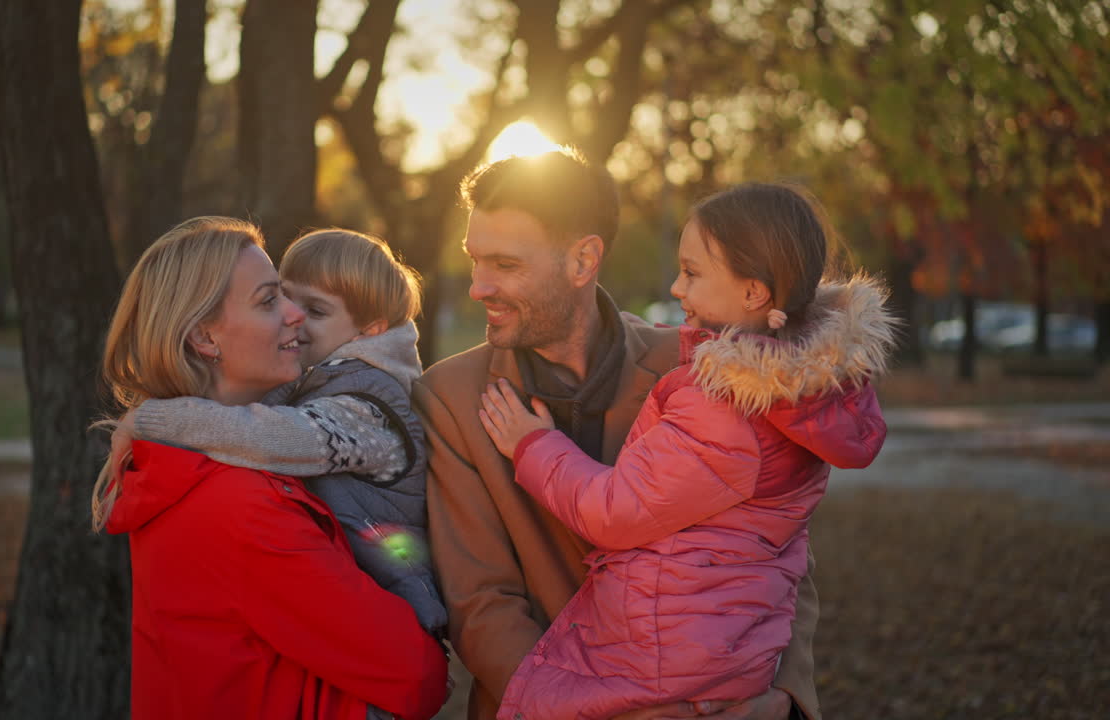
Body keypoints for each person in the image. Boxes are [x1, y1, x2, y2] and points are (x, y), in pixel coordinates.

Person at [412, 150, 822, 720]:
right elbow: (480, 604)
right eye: (474, 260)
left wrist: (782, 697)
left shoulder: (703, 366)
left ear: (583, 260)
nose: (478, 287)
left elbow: (774, 545)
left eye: (505, 264)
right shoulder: (449, 395)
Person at [477, 182, 897, 719]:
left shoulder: (726, 405)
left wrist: (532, 444)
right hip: (723, 644)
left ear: (753, 293)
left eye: (693, 273)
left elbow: (614, 512)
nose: (677, 287)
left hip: (669, 660)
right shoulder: (798, 394)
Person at [92, 217, 447, 720]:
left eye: (298, 302)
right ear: (203, 338)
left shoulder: (180, 463)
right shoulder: (243, 506)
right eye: (269, 301)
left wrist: (147, 418)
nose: (294, 316)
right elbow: (418, 676)